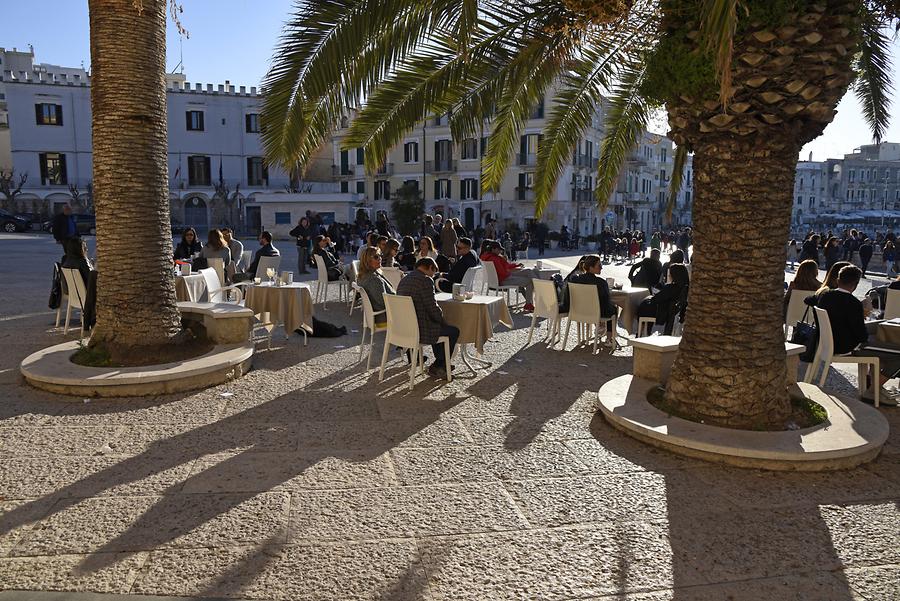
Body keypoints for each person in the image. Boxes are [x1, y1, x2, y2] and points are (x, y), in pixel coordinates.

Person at [817, 265, 898, 405]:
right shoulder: (853, 303)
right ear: (855, 284)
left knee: (879, 329)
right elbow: (861, 336)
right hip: (850, 347)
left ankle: (876, 387)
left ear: (838, 280)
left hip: (834, 341)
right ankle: (873, 390)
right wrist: (863, 314)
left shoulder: (825, 296)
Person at [395, 257, 460, 378]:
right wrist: (444, 321)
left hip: (405, 328)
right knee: (453, 331)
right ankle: (439, 365)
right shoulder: (425, 280)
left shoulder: (405, 279)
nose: (433, 275)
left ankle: (440, 363)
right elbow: (432, 308)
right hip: (420, 329)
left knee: (438, 325)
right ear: (430, 267)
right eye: (434, 272)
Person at [567, 255, 619, 336]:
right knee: (613, 308)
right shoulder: (601, 282)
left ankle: (600, 327)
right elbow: (606, 300)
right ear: (591, 267)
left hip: (578, 311)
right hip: (596, 313)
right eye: (599, 265)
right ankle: (609, 338)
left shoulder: (575, 280)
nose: (601, 268)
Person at [480, 241, 538, 311]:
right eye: (498, 249)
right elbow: (503, 272)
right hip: (504, 279)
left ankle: (537, 287)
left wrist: (516, 266)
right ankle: (529, 303)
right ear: (493, 249)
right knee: (529, 281)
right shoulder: (494, 259)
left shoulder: (488, 257)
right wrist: (514, 273)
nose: (500, 251)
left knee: (528, 271)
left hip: (501, 278)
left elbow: (506, 267)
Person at [636, 262, 689, 335]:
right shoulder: (684, 288)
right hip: (666, 313)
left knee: (641, 307)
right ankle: (646, 332)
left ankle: (641, 333)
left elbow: (657, 299)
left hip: (661, 313)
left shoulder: (671, 288)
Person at [61, 237, 96, 330]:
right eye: (84, 247)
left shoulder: (66, 261)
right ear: (78, 249)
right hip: (86, 296)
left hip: (74, 294)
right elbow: (91, 280)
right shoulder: (82, 262)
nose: (87, 249)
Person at [357, 246, 395, 324]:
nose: (380, 258)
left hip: (375, 314)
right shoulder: (374, 280)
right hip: (384, 316)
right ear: (368, 260)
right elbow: (384, 303)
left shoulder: (363, 276)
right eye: (376, 257)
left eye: (380, 255)